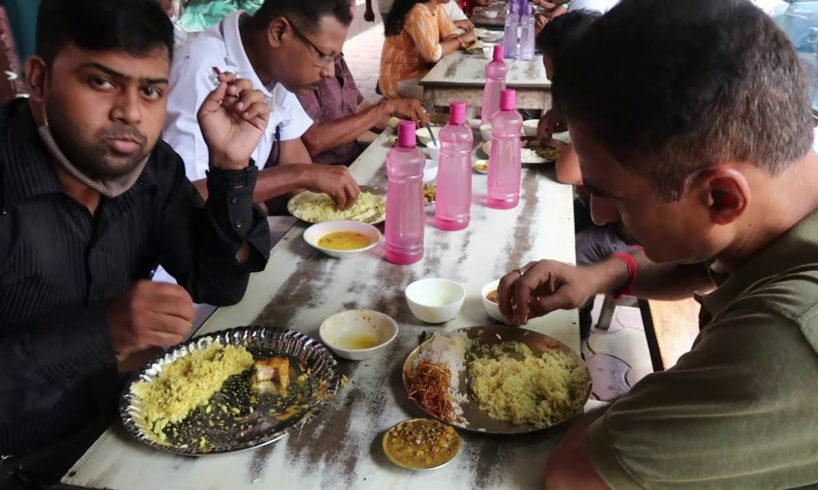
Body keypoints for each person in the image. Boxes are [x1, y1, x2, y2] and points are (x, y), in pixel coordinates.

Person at [498, 0, 818, 487]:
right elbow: (706, 266)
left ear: (722, 197)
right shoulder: (781, 205)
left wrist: (638, 407)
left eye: (613, 196)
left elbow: (574, 474)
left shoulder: (787, 338)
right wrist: (600, 274)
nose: (600, 213)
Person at [0, 0, 272, 487]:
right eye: (101, 82)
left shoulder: (152, 171)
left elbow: (218, 283)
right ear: (39, 79)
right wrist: (101, 333)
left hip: (122, 435)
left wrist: (231, 169)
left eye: (150, 90)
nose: (130, 112)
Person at [164, 0, 360, 209]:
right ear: (278, 32)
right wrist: (303, 175)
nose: (329, 72)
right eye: (323, 56)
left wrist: (320, 213)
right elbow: (191, 194)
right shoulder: (200, 71)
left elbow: (292, 150)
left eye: (335, 59)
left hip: (243, 220)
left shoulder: (276, 67)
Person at [379, 0, 476, 100]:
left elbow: (451, 34)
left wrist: (456, 40)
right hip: (399, 80)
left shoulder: (436, 8)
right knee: (460, 94)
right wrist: (461, 40)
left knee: (462, 85)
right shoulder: (418, 12)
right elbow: (433, 54)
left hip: (419, 73)